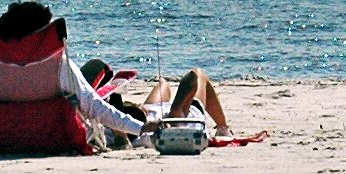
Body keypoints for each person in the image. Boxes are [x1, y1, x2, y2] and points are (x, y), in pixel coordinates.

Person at [0, 0, 151, 146]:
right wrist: (140, 128)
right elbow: (94, 107)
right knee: (96, 68)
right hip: (55, 134)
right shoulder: (58, 64)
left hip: (2, 137)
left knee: (95, 72)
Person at [80, 56, 232, 138]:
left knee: (163, 84)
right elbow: (192, 76)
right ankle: (222, 127)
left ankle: (138, 109)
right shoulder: (175, 118)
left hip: (148, 114)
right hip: (177, 113)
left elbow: (116, 120)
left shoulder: (108, 131)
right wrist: (174, 110)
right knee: (200, 75)